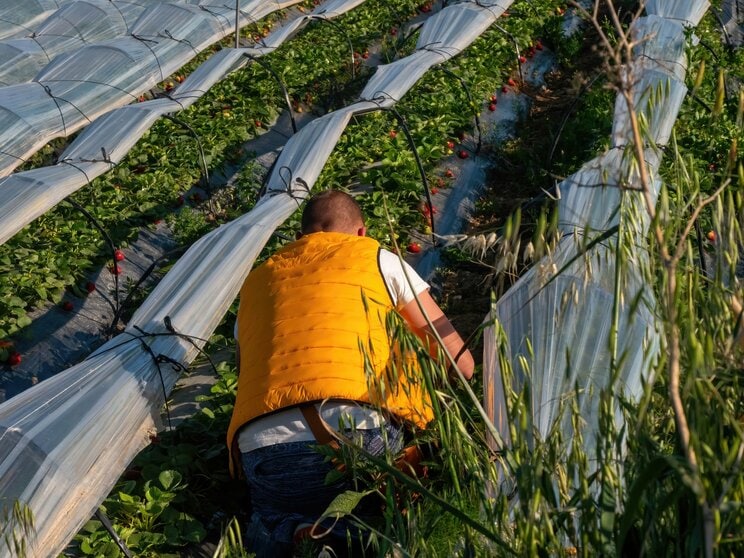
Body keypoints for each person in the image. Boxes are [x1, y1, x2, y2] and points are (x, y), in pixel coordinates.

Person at [226, 190, 474, 556]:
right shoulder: (376, 258)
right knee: (389, 510)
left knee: (267, 517)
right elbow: (460, 363)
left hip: (264, 447)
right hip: (358, 437)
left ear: (300, 238)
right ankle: (352, 535)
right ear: (361, 233)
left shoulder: (256, 281)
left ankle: (298, 531)